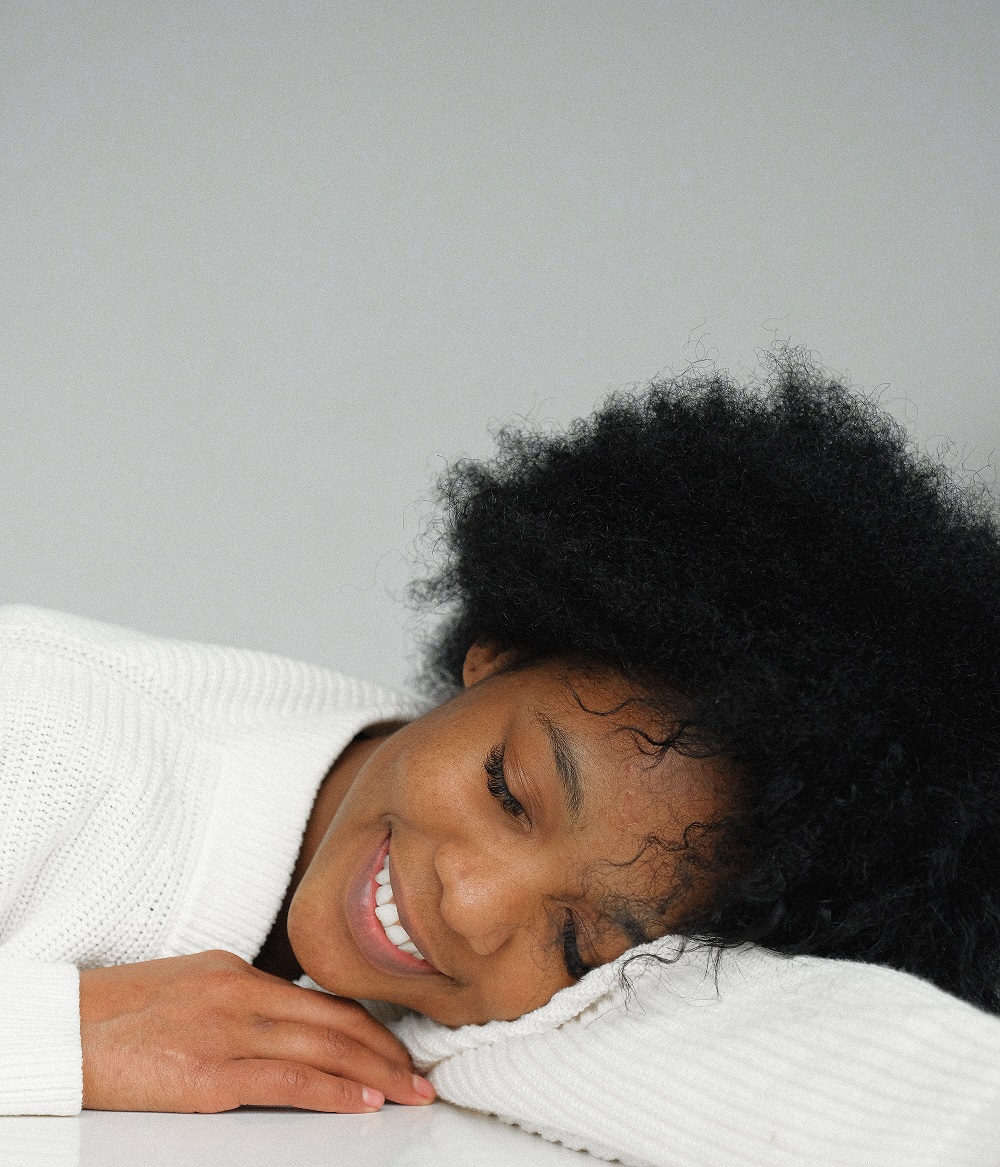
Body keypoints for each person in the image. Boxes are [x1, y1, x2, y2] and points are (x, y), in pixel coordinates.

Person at [2, 350, 998, 1118]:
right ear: (497, 650)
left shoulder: (581, 994)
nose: (472, 907)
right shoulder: (48, 746)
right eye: (509, 790)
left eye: (576, 945)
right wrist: (72, 1036)